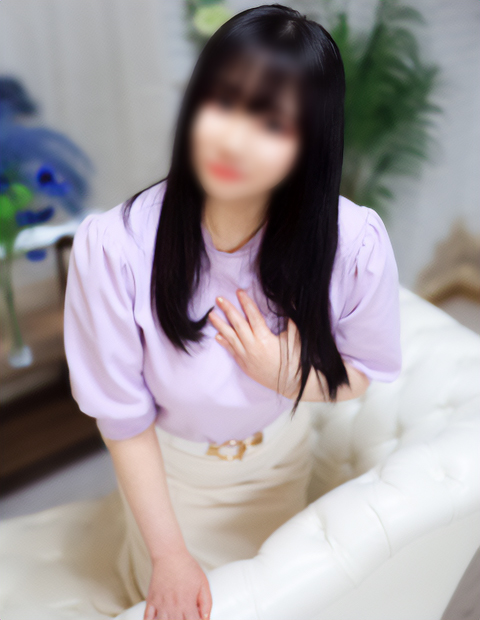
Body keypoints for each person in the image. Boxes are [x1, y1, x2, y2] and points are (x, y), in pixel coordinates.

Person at [63, 4, 402, 620]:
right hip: (173, 484)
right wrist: (169, 556)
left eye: (270, 122)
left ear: (309, 142)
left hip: (281, 462)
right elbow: (123, 418)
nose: (233, 140)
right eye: (223, 102)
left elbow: (364, 371)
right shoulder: (115, 247)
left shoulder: (353, 242)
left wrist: (285, 373)